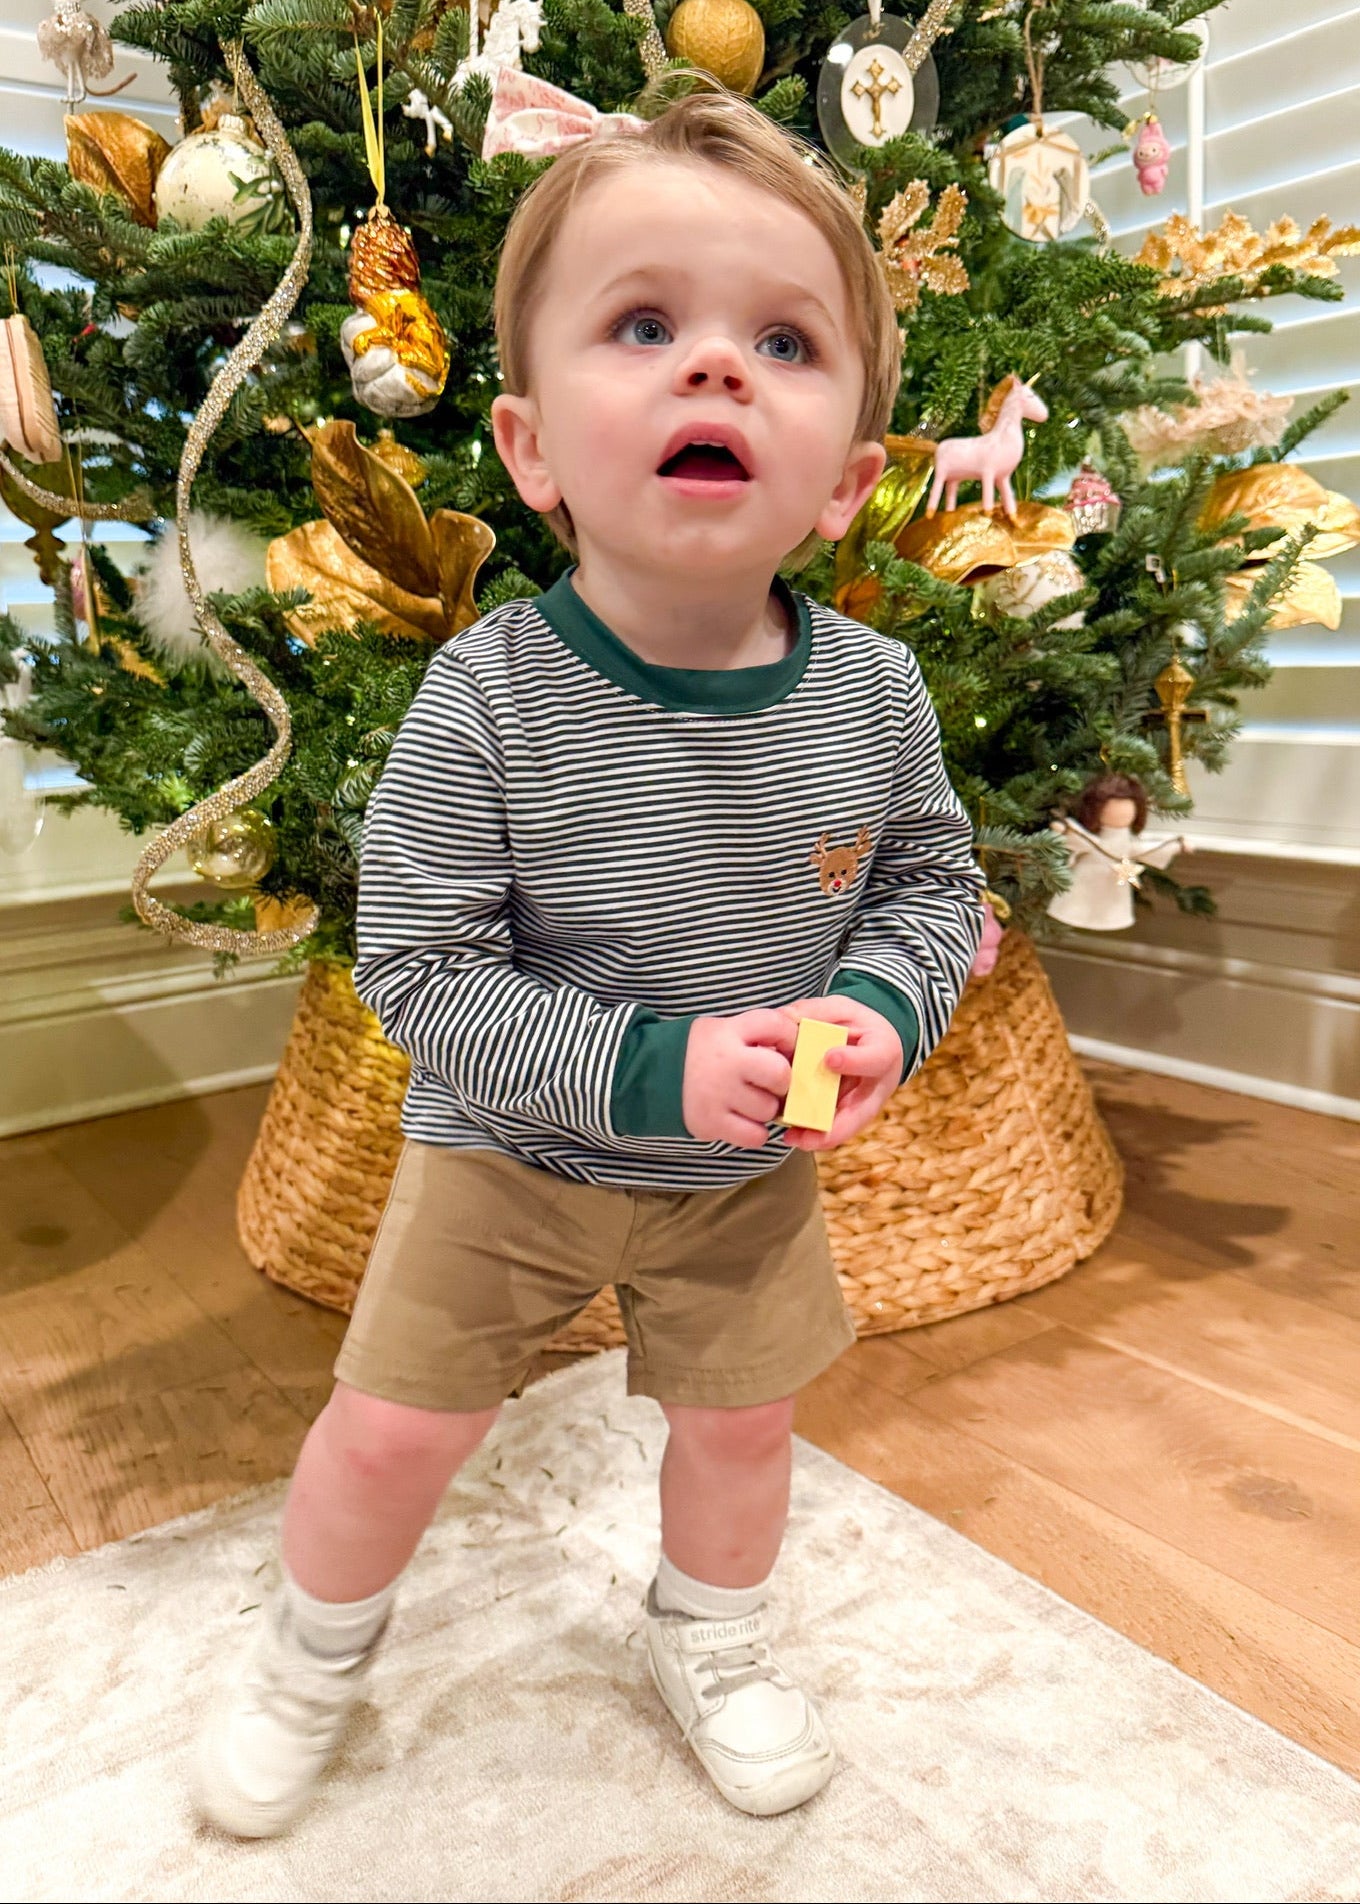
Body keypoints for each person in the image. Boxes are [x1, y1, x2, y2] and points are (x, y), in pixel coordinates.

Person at [194, 87, 985, 1840]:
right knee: (394, 1429)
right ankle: (311, 1653)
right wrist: (647, 1068)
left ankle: (714, 1634)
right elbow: (419, 967)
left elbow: (933, 891)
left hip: (743, 1179)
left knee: (744, 1430)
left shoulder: (874, 694)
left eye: (783, 342)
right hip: (507, 1160)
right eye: (644, 325)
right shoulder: (486, 693)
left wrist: (878, 1011)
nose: (714, 368)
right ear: (534, 447)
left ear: (849, 480)